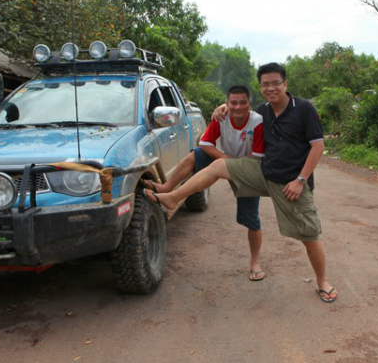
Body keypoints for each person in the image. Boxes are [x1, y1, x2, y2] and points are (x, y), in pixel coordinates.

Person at [146, 63, 337, 303]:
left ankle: (322, 281)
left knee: (309, 235)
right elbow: (239, 110)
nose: (271, 88)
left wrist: (300, 180)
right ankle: (173, 197)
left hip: (291, 181)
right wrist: (223, 107)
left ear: (285, 84)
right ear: (261, 87)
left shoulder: (304, 109)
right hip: (261, 171)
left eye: (275, 83)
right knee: (215, 165)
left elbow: (317, 146)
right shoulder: (263, 111)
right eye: (265, 84)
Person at [144, 85, 267, 281]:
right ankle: (168, 188)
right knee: (196, 154)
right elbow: (205, 143)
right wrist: (225, 159)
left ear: (249, 104)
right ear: (226, 104)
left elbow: (258, 155)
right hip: (226, 160)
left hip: (248, 168)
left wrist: (230, 164)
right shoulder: (221, 117)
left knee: (252, 220)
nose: (238, 107)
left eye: (243, 102)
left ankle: (255, 263)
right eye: (233, 103)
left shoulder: (258, 122)